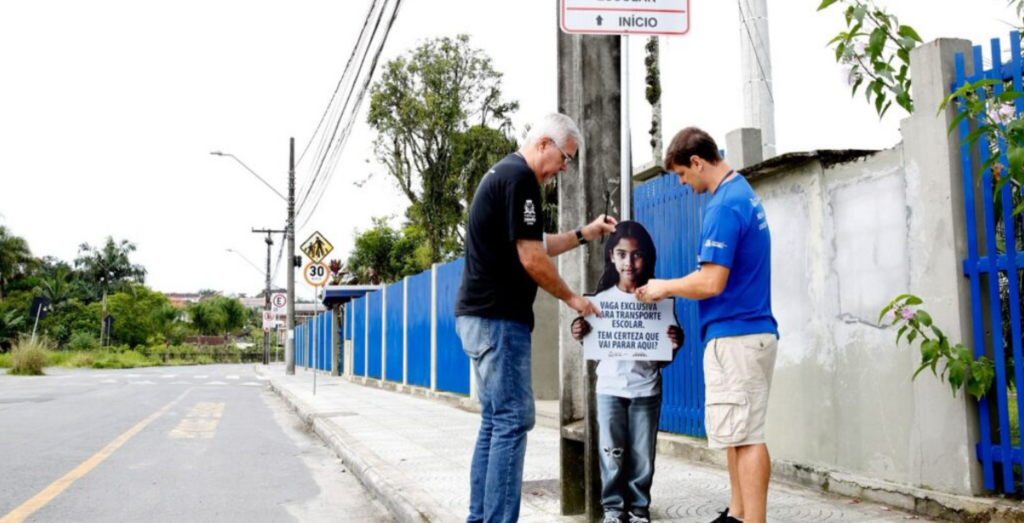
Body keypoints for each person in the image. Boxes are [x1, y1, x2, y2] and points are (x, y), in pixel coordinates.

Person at [454, 113, 617, 523]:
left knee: (495, 422)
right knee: (513, 420)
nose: (565, 168)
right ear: (544, 143)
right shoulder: (521, 179)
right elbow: (532, 259)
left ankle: (481, 518)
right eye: (565, 158)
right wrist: (574, 299)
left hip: (477, 317)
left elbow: (538, 243)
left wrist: (585, 233)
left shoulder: (504, 175)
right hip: (498, 318)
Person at [636, 127, 779, 523]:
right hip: (746, 332)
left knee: (747, 436)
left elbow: (711, 281)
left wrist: (665, 286)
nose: (683, 183)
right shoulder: (740, 192)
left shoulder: (724, 206)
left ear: (697, 162)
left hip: (738, 335)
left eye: (682, 174)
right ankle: (737, 514)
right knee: (737, 431)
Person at [570, 221, 683, 523]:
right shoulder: (600, 301)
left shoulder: (658, 299)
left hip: (646, 389)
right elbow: (589, 339)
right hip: (608, 388)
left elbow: (664, 355)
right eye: (621, 254)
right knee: (611, 452)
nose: (629, 262)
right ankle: (612, 510)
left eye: (636, 255)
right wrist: (578, 329)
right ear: (611, 257)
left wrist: (674, 343)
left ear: (646, 257)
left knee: (642, 455)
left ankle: (638, 509)